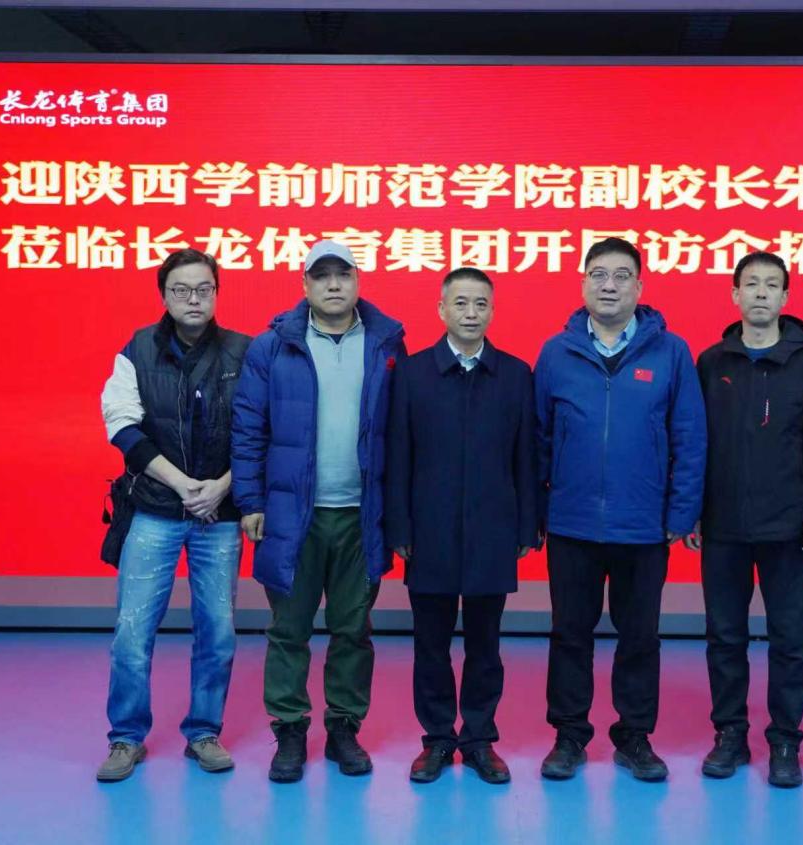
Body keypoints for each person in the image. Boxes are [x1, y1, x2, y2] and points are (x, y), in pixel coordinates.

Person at [231, 240, 406, 782]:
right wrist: (250, 501)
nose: (333, 284)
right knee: (289, 629)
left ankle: (343, 729)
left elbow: (402, 434)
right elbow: (248, 427)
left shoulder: (385, 344)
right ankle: (289, 730)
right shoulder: (273, 347)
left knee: (353, 629)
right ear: (304, 285)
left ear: (358, 282)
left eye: (343, 275)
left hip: (361, 515)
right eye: (321, 275)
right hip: (292, 515)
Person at [534, 237, 706, 782]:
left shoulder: (671, 352)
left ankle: (634, 736)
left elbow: (690, 437)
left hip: (643, 525)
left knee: (640, 638)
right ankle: (569, 736)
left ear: (640, 286)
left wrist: (680, 515)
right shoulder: (556, 352)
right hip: (572, 523)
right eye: (599, 275)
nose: (609, 285)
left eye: (621, 275)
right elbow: (538, 440)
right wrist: (538, 512)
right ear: (583, 282)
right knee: (570, 634)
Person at [689, 251, 803, 788]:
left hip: (789, 528)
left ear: (785, 297)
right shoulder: (712, 362)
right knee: (724, 637)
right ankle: (730, 734)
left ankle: (784, 740)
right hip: (723, 526)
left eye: (771, 285)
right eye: (750, 284)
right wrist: (692, 511)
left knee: (791, 640)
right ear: (734, 295)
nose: (760, 293)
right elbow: (694, 443)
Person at [97, 248, 251, 782]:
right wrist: (183, 485)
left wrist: (222, 487)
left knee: (218, 631)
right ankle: (125, 738)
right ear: (164, 296)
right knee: (132, 630)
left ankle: (204, 732)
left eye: (204, 289)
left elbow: (259, 431)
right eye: (181, 290)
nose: (193, 299)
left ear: (216, 294)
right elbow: (122, 427)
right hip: (156, 509)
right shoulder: (136, 349)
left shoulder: (244, 352)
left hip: (219, 515)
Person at [385, 267, 537, 785]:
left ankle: (477, 740)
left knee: (485, 646)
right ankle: (436, 740)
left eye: (480, 304)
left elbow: (526, 458)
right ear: (441, 310)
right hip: (428, 531)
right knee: (430, 645)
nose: (471, 313)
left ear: (492, 310)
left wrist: (527, 527)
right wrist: (399, 526)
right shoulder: (412, 374)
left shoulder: (515, 375)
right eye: (461, 303)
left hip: (494, 530)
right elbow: (398, 456)